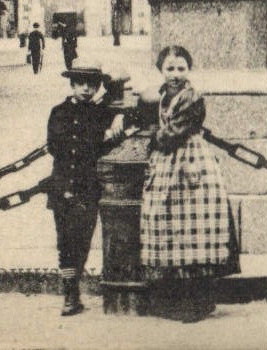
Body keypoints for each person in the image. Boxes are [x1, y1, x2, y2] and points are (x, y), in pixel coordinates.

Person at [139, 45, 239, 321]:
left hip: (190, 161)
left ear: (189, 70)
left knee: (196, 227)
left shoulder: (193, 98)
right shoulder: (158, 97)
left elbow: (176, 131)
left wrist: (154, 140)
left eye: (181, 68)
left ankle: (199, 302)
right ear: (161, 70)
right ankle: (173, 298)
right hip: (166, 164)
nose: (175, 74)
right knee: (167, 223)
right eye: (169, 68)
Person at [46, 65, 125, 316]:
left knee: (82, 241)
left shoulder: (99, 111)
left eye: (92, 84)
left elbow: (117, 96)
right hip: (63, 185)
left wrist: (113, 134)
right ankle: (70, 293)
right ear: (72, 85)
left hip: (88, 187)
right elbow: (57, 145)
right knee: (65, 241)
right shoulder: (58, 112)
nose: (86, 89)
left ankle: (74, 289)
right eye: (81, 83)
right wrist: (99, 137)